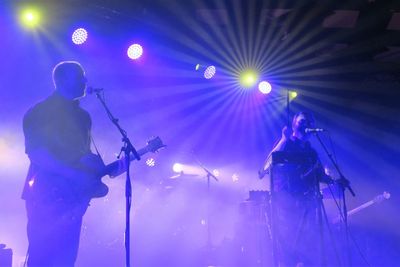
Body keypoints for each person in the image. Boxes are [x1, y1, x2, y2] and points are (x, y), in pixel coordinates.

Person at [22, 61, 106, 266]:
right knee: (43, 257)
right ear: (61, 80)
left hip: (72, 197)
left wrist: (91, 174)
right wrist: (75, 175)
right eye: (80, 76)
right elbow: (37, 154)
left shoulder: (83, 117)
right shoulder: (40, 112)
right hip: (45, 195)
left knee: (66, 260)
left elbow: (82, 157)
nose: (85, 80)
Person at [259, 111, 334, 266]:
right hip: (286, 208)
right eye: (302, 121)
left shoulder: (311, 152)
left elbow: (320, 175)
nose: (307, 125)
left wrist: (335, 181)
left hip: (307, 206)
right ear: (294, 125)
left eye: (310, 122)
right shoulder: (286, 144)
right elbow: (264, 168)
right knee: (288, 250)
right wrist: (283, 139)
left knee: (309, 249)